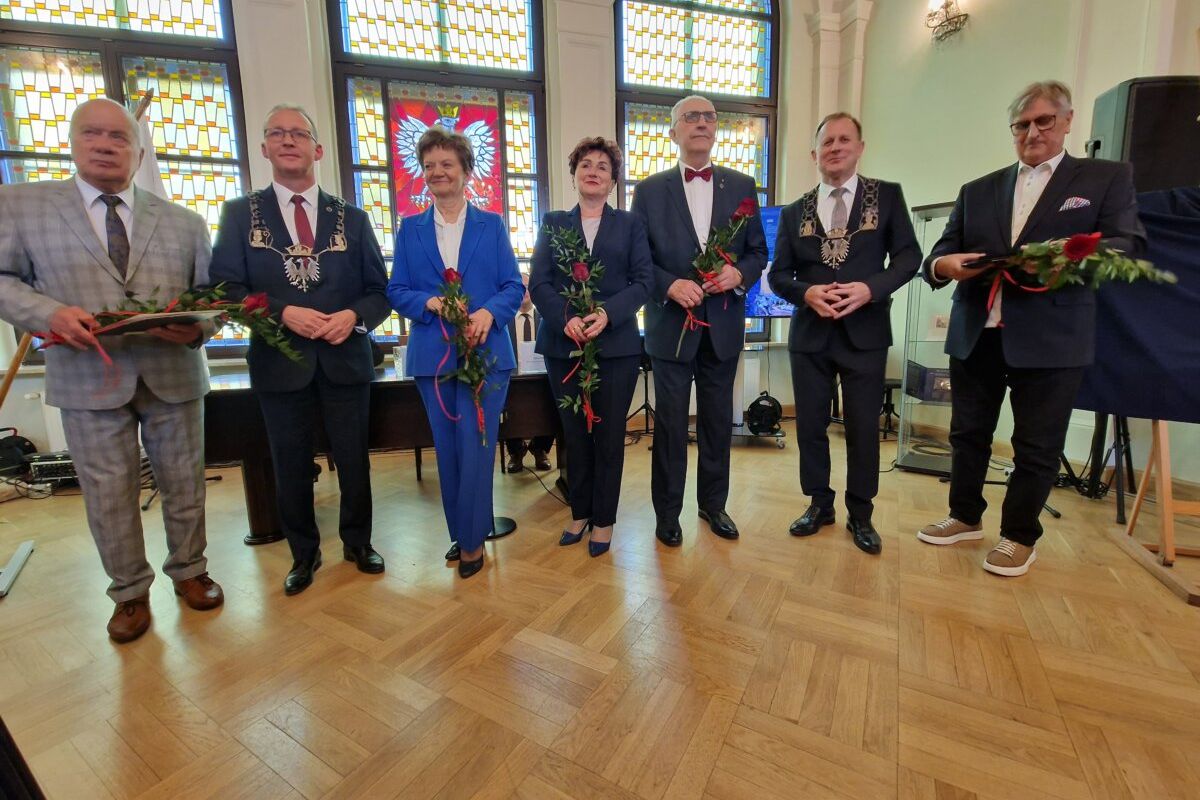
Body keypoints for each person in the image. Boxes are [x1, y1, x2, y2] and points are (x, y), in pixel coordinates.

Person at [0, 98, 221, 642]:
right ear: (73, 144)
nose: (104, 145)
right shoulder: (22, 205)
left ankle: (190, 571)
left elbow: (213, 297)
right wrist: (49, 314)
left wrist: (199, 328)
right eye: (92, 134)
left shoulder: (185, 222)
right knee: (107, 491)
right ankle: (129, 592)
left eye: (119, 137)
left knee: (184, 482)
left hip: (172, 373)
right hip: (86, 376)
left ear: (138, 151)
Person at [917, 80, 1145, 576]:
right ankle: (964, 517)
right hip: (977, 330)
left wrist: (1067, 256)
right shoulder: (978, 189)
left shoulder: (1104, 178)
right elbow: (939, 254)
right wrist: (943, 266)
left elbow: (1127, 244)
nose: (1033, 132)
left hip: (1052, 335)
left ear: (1067, 121)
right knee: (967, 433)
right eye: (1022, 125)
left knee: (1036, 444)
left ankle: (1019, 536)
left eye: (1044, 121)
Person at [209, 104, 390, 595]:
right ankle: (303, 554)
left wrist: (353, 317)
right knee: (289, 464)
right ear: (264, 148)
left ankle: (358, 542)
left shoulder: (353, 218)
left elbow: (380, 291)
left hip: (345, 361)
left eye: (299, 134)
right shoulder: (239, 215)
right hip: (279, 364)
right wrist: (282, 313)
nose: (288, 141)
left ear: (318, 149)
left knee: (353, 460)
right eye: (277, 133)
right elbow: (225, 290)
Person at [769, 113, 921, 555]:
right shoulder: (794, 211)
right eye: (827, 142)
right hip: (810, 337)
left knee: (862, 428)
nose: (835, 148)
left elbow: (909, 257)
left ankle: (861, 512)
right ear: (814, 154)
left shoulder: (887, 196)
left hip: (865, 334)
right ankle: (819, 503)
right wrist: (806, 292)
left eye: (844, 140)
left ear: (860, 147)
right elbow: (778, 276)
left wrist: (870, 289)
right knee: (810, 427)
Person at [630, 95, 768, 547]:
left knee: (717, 423)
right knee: (671, 426)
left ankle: (713, 505)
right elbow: (639, 260)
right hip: (671, 327)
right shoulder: (649, 191)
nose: (702, 123)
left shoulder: (743, 185)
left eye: (709, 117)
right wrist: (669, 285)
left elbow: (757, 253)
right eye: (691, 117)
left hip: (722, 327)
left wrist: (738, 274)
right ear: (674, 131)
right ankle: (668, 514)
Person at [387, 126, 525, 578]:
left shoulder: (492, 225)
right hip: (433, 356)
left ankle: (471, 542)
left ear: (466, 171)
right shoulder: (410, 229)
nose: (437, 172)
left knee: (478, 447)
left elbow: (512, 286)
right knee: (448, 449)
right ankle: (464, 531)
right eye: (429, 166)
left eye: (446, 164)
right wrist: (428, 303)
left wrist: (487, 313)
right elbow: (396, 290)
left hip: (488, 355)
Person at [529, 136, 653, 557]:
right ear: (574, 175)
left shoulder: (630, 225)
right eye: (585, 164)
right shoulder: (553, 223)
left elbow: (644, 282)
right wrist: (565, 319)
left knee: (609, 435)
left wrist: (607, 314)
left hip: (615, 346)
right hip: (563, 345)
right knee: (574, 434)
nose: (593, 171)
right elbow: (539, 283)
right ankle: (579, 512)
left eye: (603, 166)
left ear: (613, 180)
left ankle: (604, 519)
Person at [504, 273, 555, 473]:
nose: (524, 291)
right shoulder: (504, 321)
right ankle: (516, 452)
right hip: (512, 380)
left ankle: (539, 448)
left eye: (528, 286)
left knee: (554, 401)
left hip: (542, 379)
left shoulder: (547, 318)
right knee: (505, 403)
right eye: (520, 286)